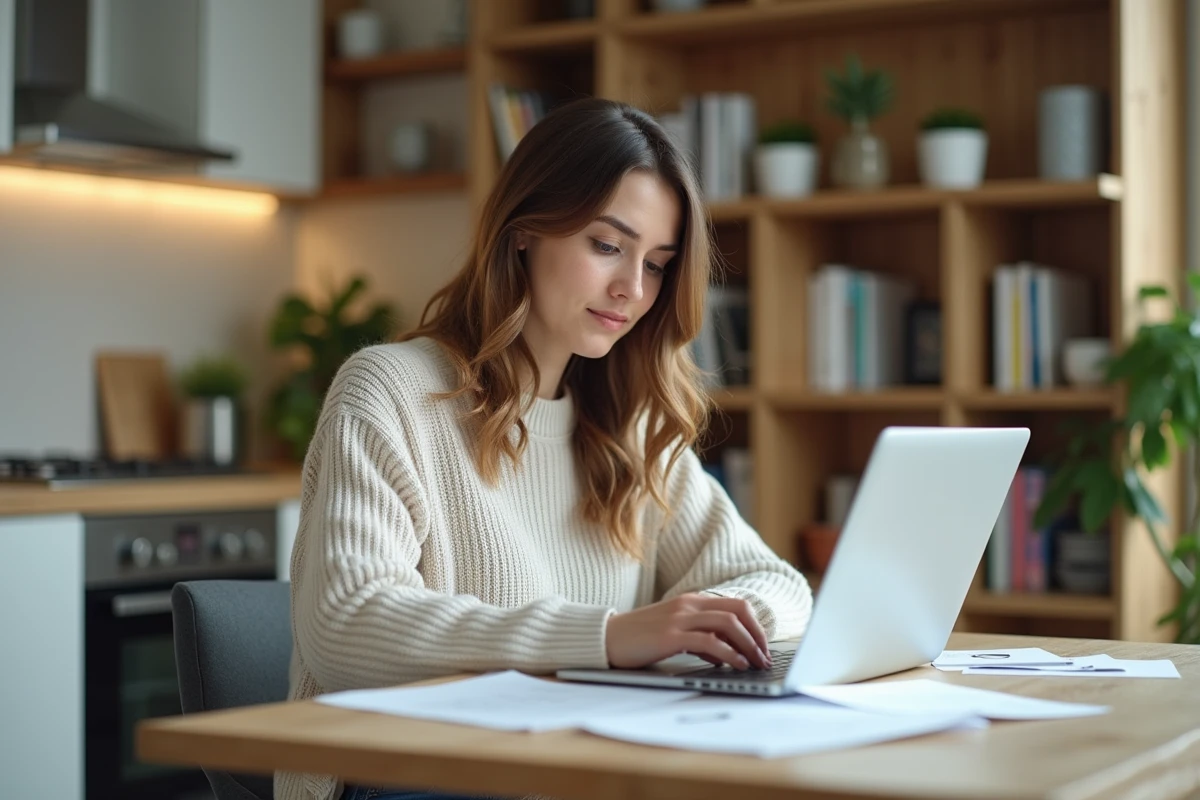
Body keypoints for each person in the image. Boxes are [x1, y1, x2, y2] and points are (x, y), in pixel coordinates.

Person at [276, 96, 814, 800]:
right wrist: (610, 638)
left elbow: (778, 585)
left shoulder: (631, 425)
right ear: (526, 229)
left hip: (569, 772)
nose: (632, 289)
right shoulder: (392, 392)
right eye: (606, 245)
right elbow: (344, 627)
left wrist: (713, 629)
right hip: (410, 780)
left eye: (657, 264)